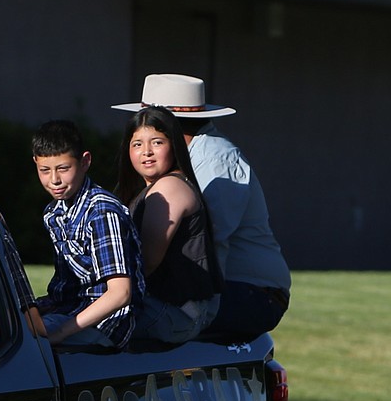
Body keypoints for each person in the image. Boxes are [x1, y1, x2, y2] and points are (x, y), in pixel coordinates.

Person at [113, 74, 290, 339]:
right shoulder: (179, 160)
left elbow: (207, 240)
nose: (145, 146)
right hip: (222, 288)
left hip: (250, 294)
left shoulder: (215, 158)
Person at [31, 119, 143, 348]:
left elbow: (120, 293)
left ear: (85, 162)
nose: (54, 180)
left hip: (106, 325)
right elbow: (66, 288)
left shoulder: (101, 212)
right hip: (71, 310)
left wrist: (61, 332)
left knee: (30, 348)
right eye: (45, 170)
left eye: (63, 168)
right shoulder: (53, 213)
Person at [115, 106, 219, 343]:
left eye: (157, 142)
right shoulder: (151, 189)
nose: (147, 152)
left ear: (174, 145)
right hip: (162, 307)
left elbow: (147, 262)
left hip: (174, 313)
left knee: (76, 333)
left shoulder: (169, 187)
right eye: (137, 144)